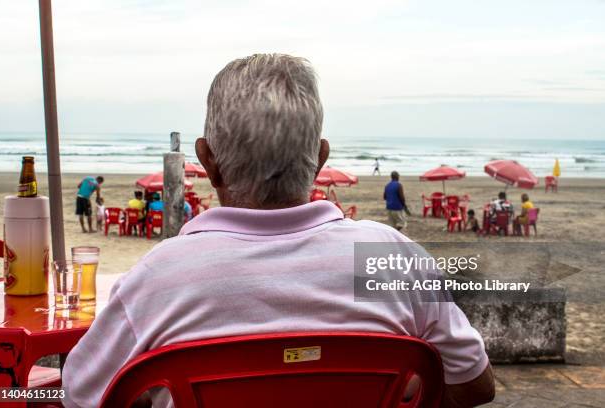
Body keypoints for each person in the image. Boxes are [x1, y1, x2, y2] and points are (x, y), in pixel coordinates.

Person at [63, 54, 494, 408]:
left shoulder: (159, 279)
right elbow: (474, 384)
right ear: (320, 158)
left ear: (207, 160)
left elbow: (78, 394)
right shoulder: (391, 258)